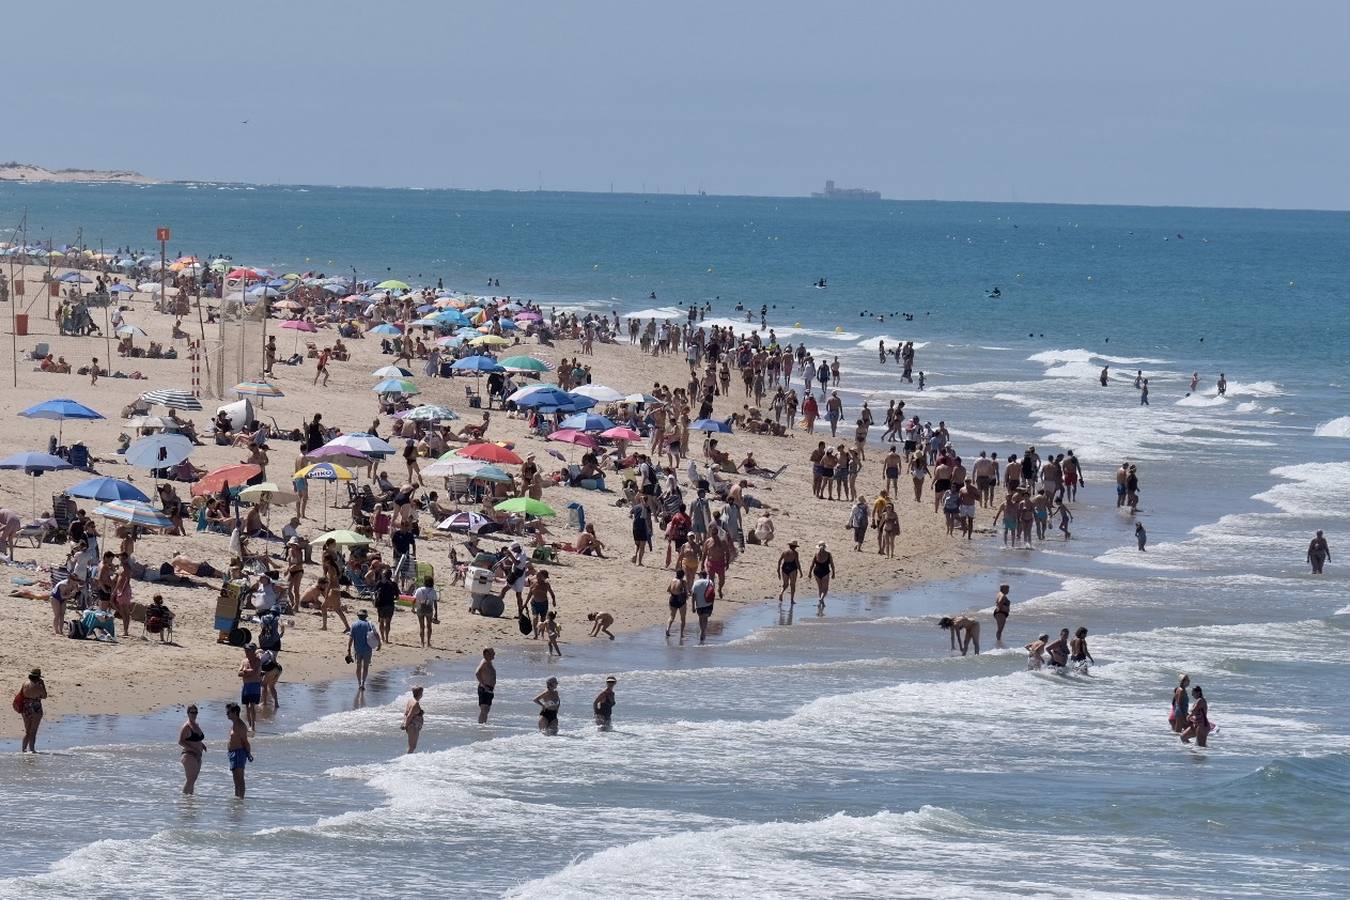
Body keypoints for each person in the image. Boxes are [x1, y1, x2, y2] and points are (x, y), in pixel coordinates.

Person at [347, 609, 380, 690]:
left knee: (358, 667)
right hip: (367, 649)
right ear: (366, 616)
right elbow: (376, 634)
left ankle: (359, 683)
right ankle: (363, 683)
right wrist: (379, 644)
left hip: (357, 650)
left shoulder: (354, 625)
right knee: (365, 667)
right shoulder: (369, 624)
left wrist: (348, 650)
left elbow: (351, 638)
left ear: (358, 616)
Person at [225, 702, 252, 799]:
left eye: (228, 712)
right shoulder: (234, 724)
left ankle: (241, 799)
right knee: (235, 780)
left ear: (235, 712)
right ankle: (237, 799)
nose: (227, 714)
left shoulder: (240, 726)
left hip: (238, 753)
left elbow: (245, 741)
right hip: (233, 753)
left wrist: (248, 753)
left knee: (239, 779)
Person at [17, 668, 47, 753]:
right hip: (35, 708)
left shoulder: (25, 683)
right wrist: (43, 685)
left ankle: (23, 750)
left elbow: (21, 694)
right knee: (33, 731)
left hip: (25, 707)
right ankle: (32, 750)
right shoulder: (39, 686)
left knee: (27, 731)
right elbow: (44, 696)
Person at [178, 705, 206, 794]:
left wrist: (201, 744)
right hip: (189, 755)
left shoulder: (196, 725)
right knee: (190, 780)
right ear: (188, 713)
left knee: (193, 781)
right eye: (192, 712)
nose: (194, 714)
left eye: (196, 712)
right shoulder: (186, 727)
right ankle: (185, 801)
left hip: (197, 755)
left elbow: (195, 739)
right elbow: (181, 742)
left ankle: (189, 802)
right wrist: (194, 750)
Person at [238, 644, 262, 733]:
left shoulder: (258, 661)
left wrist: (245, 671)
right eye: (246, 651)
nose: (246, 653)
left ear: (253, 652)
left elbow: (254, 672)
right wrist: (245, 671)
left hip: (254, 686)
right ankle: (249, 726)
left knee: (252, 706)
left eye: (248, 651)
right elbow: (239, 673)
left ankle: (253, 726)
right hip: (246, 686)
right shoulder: (244, 661)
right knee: (247, 707)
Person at [526, 570, 557, 639]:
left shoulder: (546, 584)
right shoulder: (533, 582)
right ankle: (536, 634)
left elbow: (552, 593)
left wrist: (554, 601)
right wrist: (525, 603)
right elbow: (530, 593)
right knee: (535, 618)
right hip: (534, 603)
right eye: (537, 575)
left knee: (543, 620)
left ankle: (542, 634)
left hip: (544, 603)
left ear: (543, 577)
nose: (538, 576)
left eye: (540, 575)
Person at [374, 569, 398, 644]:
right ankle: (387, 639)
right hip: (390, 604)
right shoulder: (393, 584)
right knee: (388, 622)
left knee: (381, 622)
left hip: (381, 605)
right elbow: (397, 596)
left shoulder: (379, 583)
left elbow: (375, 592)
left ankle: (382, 638)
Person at [413, 576, 438, 648]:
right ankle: (428, 642)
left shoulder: (419, 589)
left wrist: (413, 608)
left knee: (422, 626)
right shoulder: (433, 591)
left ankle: (422, 643)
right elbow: (435, 603)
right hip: (429, 609)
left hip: (420, 608)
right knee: (429, 626)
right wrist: (436, 612)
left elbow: (414, 599)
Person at [691, 568, 715, 643]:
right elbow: (712, 594)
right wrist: (712, 604)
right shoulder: (710, 582)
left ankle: (702, 631)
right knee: (705, 618)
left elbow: (693, 595)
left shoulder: (696, 583)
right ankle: (703, 632)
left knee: (701, 618)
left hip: (699, 604)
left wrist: (693, 606)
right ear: (706, 575)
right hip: (708, 603)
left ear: (700, 575)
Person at [810, 541, 835, 609]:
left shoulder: (816, 554)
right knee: (825, 589)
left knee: (820, 588)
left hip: (816, 572)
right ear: (825, 547)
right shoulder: (828, 554)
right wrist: (833, 573)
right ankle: (821, 599)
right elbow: (832, 565)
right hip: (825, 572)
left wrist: (809, 573)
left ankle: (822, 602)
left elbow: (812, 564)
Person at [475, 648, 496, 724]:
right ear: (487, 654)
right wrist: (483, 685)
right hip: (484, 689)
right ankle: (480, 726)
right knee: (484, 709)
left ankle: (483, 726)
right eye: (492, 652)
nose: (494, 654)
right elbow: (477, 673)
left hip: (489, 689)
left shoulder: (489, 662)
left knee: (486, 710)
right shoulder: (484, 662)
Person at [402, 686, 425, 754]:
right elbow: (409, 716)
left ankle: (407, 759)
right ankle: (406, 760)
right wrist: (405, 725)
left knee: (411, 746)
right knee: (412, 747)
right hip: (412, 727)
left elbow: (406, 713)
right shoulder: (415, 704)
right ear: (420, 694)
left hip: (412, 726)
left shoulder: (411, 700)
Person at [666, 570, 689, 637]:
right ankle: (681, 634)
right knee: (683, 618)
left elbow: (668, 590)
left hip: (672, 599)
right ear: (683, 575)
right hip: (681, 600)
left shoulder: (672, 580)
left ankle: (667, 629)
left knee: (672, 616)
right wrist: (686, 596)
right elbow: (686, 593)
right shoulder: (683, 582)